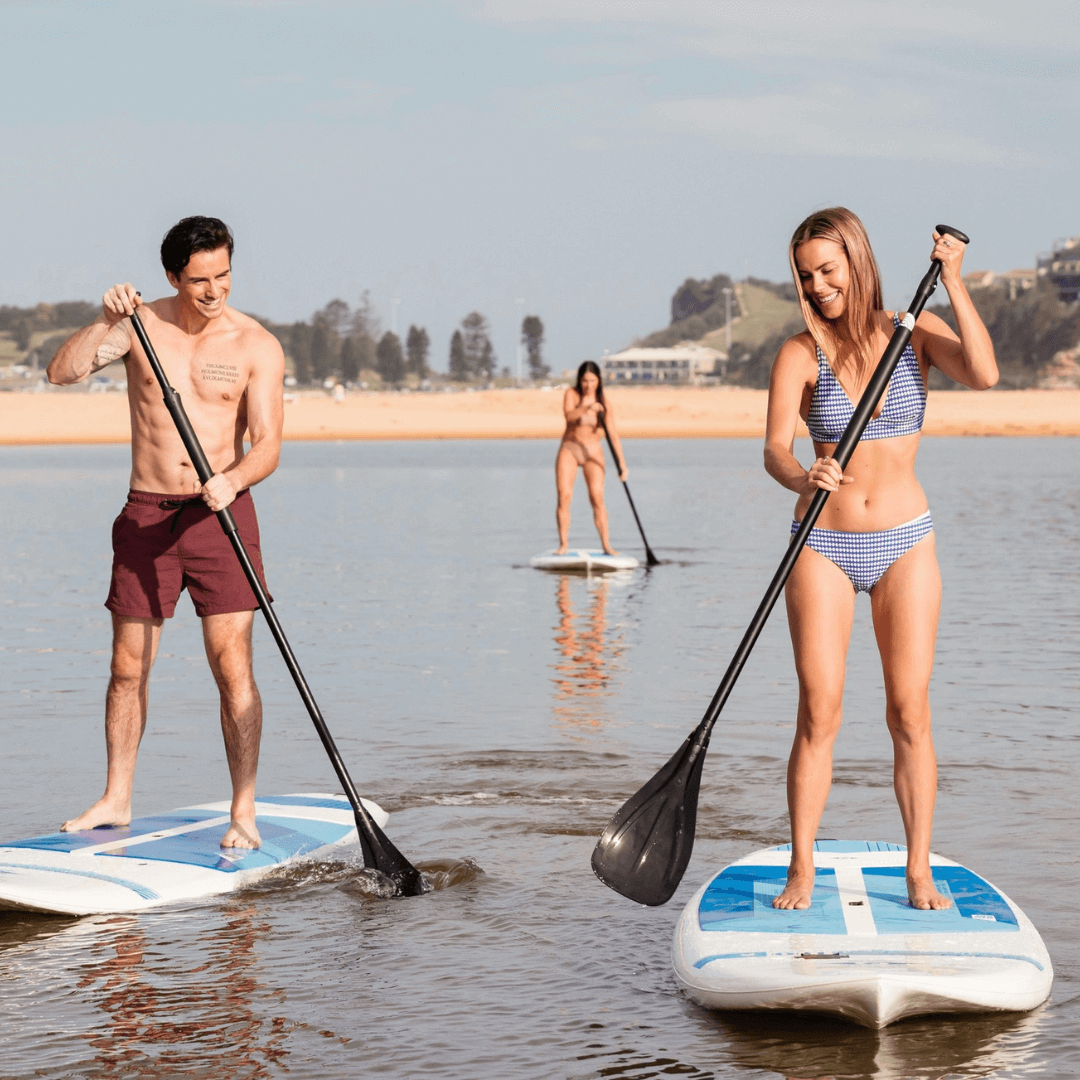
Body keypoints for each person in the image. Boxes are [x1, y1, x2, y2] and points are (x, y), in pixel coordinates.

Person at [763, 208, 998, 910]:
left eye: (828, 269)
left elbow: (984, 373)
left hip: (905, 542)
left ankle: (918, 868)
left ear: (857, 262)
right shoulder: (799, 353)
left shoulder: (913, 332)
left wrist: (953, 280)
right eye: (807, 274)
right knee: (819, 711)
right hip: (822, 546)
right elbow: (775, 448)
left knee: (909, 711)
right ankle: (801, 867)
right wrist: (804, 475)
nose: (818, 284)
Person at [47, 216, 286, 850]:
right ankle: (116, 797)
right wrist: (104, 318)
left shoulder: (256, 345)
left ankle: (243, 809)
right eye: (200, 280)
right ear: (173, 277)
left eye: (224, 275)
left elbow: (267, 447)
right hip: (147, 514)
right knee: (128, 668)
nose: (214, 291)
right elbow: (61, 372)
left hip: (221, 516)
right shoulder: (139, 326)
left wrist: (232, 480)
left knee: (231, 665)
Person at [555, 361, 627, 555]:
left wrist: (622, 464)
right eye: (585, 380)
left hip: (593, 451)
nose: (588, 385)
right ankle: (563, 545)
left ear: (599, 380)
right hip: (570, 449)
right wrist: (587, 406)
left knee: (596, 496)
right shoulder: (572, 394)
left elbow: (612, 434)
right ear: (579, 380)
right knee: (564, 496)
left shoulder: (604, 403)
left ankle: (606, 546)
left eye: (592, 380)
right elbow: (569, 416)